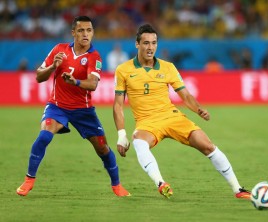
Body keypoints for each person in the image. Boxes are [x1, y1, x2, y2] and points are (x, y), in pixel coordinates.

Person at [113, 24, 251, 199]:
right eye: (146, 43)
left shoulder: (168, 67)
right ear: (137, 44)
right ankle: (161, 183)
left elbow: (185, 95)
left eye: (154, 43)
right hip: (147, 122)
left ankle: (238, 189)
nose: (150, 47)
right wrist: (121, 134)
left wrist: (198, 109)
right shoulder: (123, 70)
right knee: (139, 142)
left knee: (208, 146)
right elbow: (118, 105)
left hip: (171, 116)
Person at [16, 16, 130, 197]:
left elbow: (92, 84)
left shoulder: (94, 56)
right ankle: (29, 179)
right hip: (57, 106)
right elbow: (39, 77)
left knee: (102, 148)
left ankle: (116, 185)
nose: (86, 34)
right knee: (44, 136)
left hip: (83, 111)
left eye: (89, 30)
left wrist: (74, 81)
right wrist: (53, 66)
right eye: (81, 30)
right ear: (73, 33)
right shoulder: (59, 50)